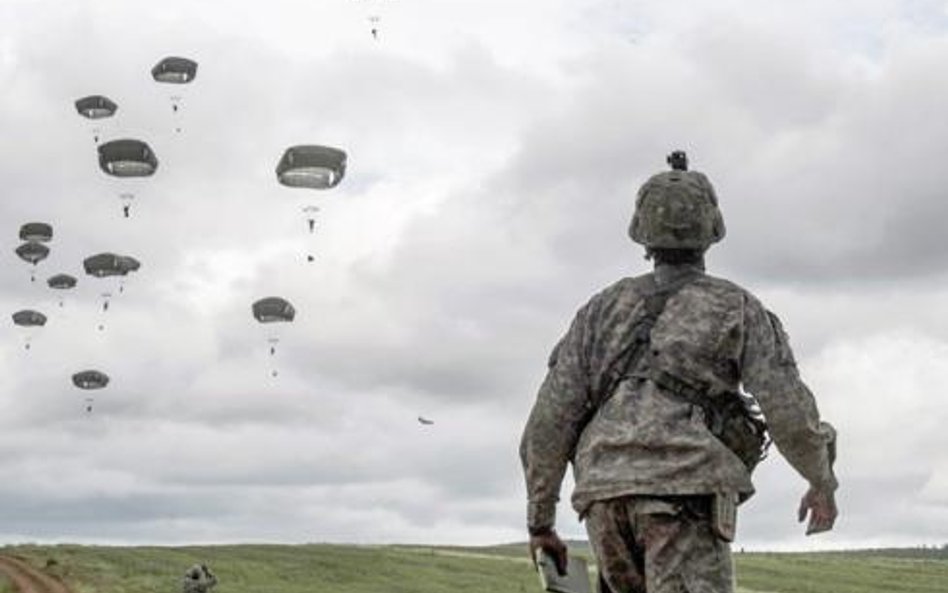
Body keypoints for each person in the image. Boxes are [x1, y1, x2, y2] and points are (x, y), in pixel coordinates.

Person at [519, 153, 838, 593]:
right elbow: (785, 406)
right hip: (685, 494)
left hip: (604, 501)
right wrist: (821, 479)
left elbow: (550, 420)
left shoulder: (599, 311)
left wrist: (540, 521)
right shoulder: (737, 308)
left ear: (641, 233)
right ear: (712, 230)